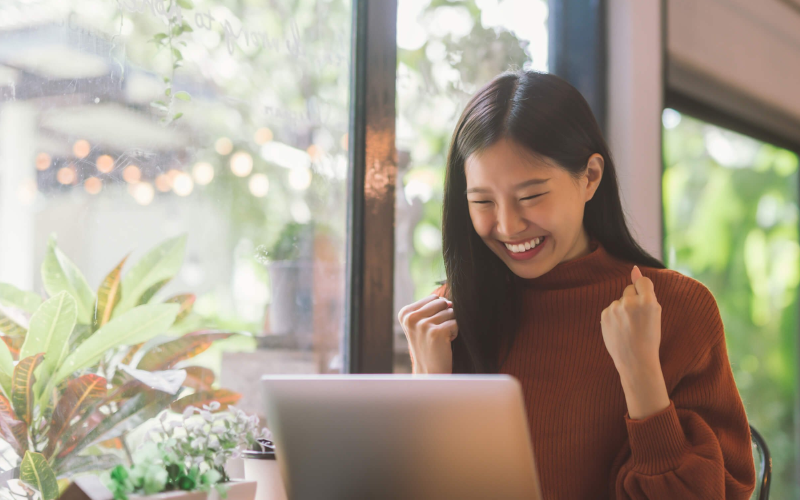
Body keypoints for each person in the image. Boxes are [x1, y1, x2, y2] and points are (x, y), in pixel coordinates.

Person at [396, 70, 756, 499]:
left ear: (589, 178)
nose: (508, 225)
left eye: (531, 196)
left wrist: (641, 374)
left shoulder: (676, 310)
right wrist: (427, 389)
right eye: (483, 202)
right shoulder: (448, 319)